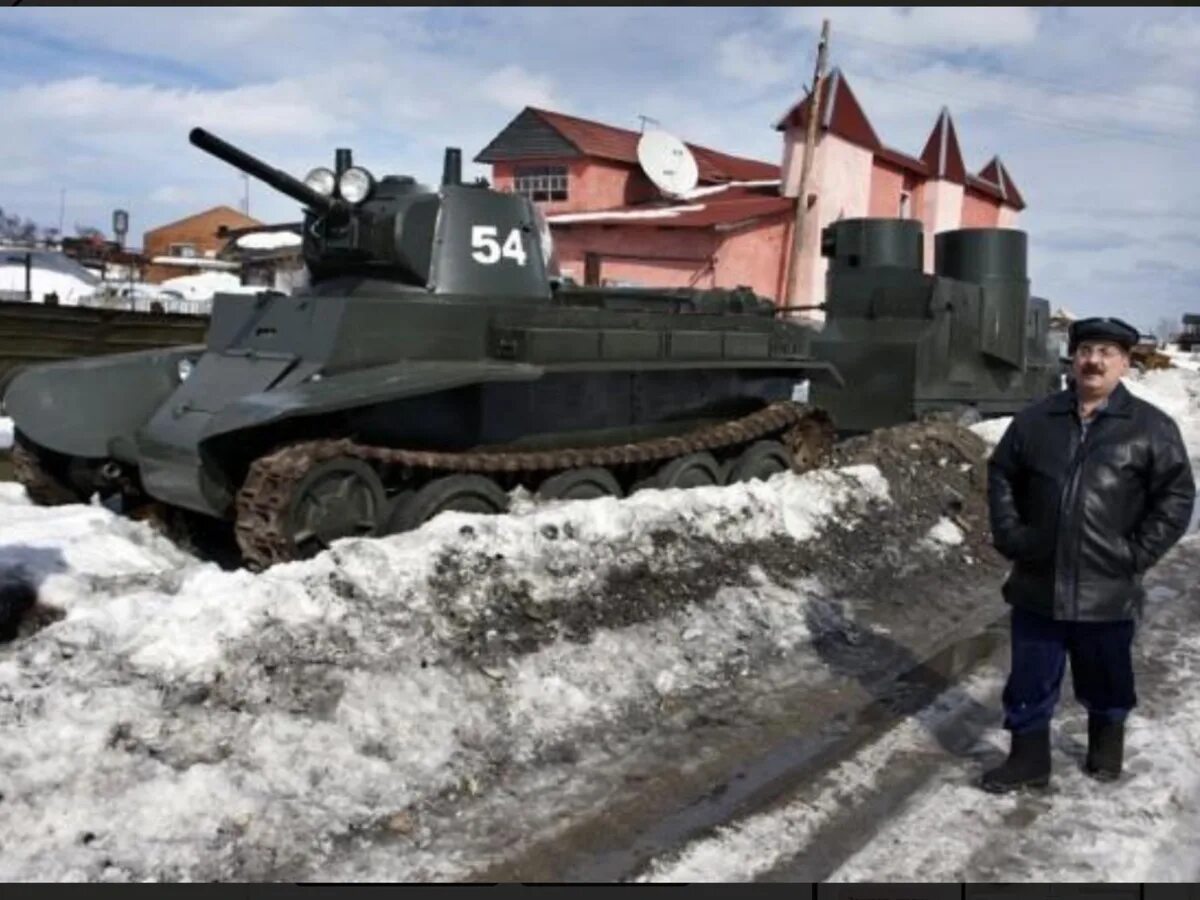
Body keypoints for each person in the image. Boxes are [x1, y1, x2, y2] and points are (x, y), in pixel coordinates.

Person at [982, 315, 1195, 792]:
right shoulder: (1037, 420)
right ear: (1072, 358)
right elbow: (1001, 475)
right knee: (1030, 678)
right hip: (1039, 580)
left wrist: (1136, 553)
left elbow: (1177, 495)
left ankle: (1106, 743)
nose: (1093, 361)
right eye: (1086, 351)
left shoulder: (1150, 427)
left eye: (1106, 353)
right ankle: (1028, 760)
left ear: (1124, 364)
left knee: (1106, 676)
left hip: (1108, 584)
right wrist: (1013, 535)